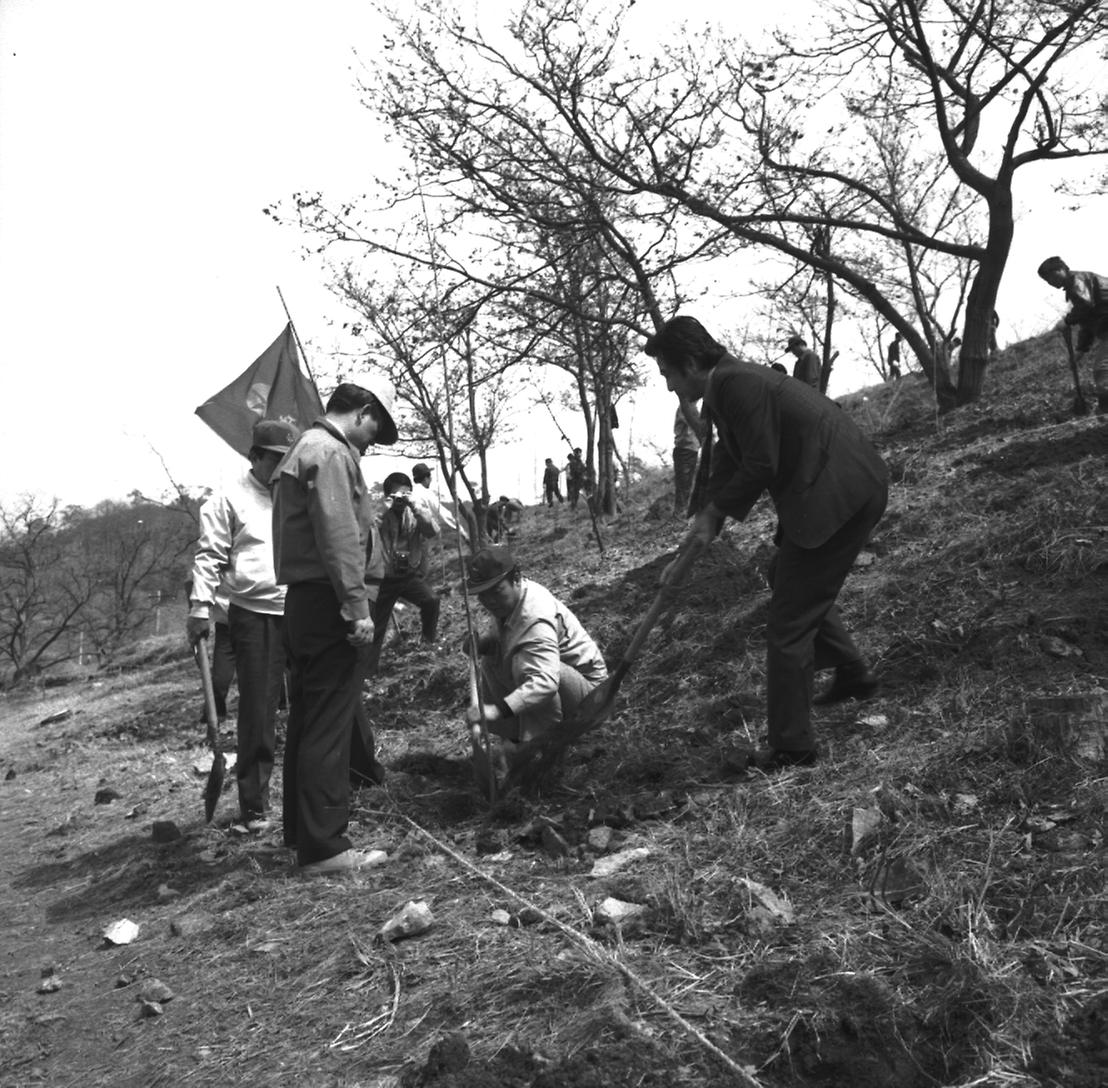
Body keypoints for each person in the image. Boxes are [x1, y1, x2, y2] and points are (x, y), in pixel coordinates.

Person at [644, 316, 888, 773]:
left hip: (838, 489)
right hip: (835, 485)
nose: (670, 386)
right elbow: (728, 461)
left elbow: (760, 461)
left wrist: (716, 513)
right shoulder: (728, 386)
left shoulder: (739, 384)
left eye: (669, 375)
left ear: (692, 363)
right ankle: (853, 671)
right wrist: (703, 522)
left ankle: (793, 747)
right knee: (784, 577)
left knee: (789, 625)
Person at [272, 375, 399, 876]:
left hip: (306, 603)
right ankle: (326, 849)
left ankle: (305, 836)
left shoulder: (309, 447)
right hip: (330, 603)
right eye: (377, 428)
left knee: (309, 722)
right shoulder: (331, 453)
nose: (372, 441)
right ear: (364, 411)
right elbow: (339, 539)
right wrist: (357, 609)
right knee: (327, 726)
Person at [187, 419, 299, 833]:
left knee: (319, 698)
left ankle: (344, 784)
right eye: (273, 459)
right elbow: (209, 555)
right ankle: (254, 806)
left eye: (287, 460)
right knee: (259, 709)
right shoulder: (227, 500)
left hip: (302, 607)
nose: (281, 467)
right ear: (254, 456)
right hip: (254, 614)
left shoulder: (297, 495)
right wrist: (200, 607)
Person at [463, 545, 608, 779]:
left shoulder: (535, 618)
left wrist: (496, 710)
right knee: (493, 659)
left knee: (526, 665)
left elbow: (546, 682)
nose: (489, 600)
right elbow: (508, 635)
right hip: (560, 681)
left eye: (497, 591)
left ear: (516, 579)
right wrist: (485, 644)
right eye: (482, 594)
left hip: (592, 700)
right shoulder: (510, 601)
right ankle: (515, 738)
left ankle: (538, 748)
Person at [367, 471, 440, 673]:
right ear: (387, 496)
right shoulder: (378, 512)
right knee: (376, 627)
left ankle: (427, 647)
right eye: (396, 496)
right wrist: (383, 509)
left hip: (408, 575)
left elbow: (432, 531)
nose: (400, 500)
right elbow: (365, 532)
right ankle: (368, 673)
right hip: (384, 578)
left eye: (405, 495)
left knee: (431, 601)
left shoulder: (415, 512)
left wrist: (416, 508)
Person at [1037, 255, 1108, 414]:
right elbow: (1088, 323)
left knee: (1103, 370)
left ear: (1062, 269)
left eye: (1052, 276)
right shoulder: (1078, 287)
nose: (1051, 282)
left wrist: (1067, 321)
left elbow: (1085, 305)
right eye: (1047, 280)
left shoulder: (1078, 281)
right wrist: (1081, 350)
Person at [673, 398, 704, 517]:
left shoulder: (691, 407)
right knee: (683, 484)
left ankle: (683, 512)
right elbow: (694, 425)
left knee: (687, 483)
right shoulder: (686, 407)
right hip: (685, 448)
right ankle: (680, 513)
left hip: (690, 448)